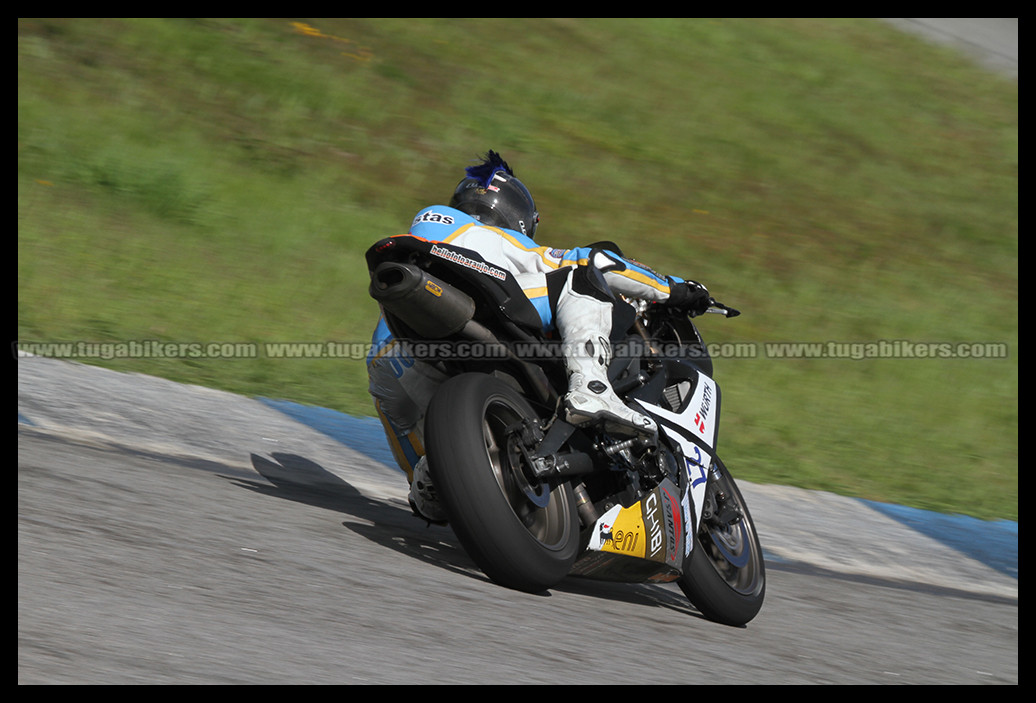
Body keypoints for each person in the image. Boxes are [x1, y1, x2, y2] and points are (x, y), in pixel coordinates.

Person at [367, 150, 712, 523]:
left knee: (405, 422)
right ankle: (592, 388)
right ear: (520, 216)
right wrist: (675, 290)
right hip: (478, 318)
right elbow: (590, 260)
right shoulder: (492, 236)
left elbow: (396, 418)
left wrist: (420, 472)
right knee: (579, 278)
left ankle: (432, 474)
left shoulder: (430, 232)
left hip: (396, 356)